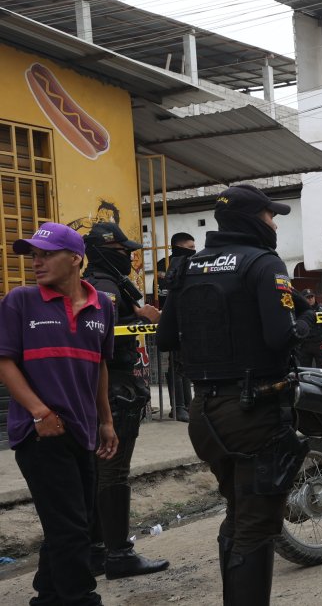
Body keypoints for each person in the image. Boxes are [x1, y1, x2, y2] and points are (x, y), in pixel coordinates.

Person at [157, 185, 315, 605]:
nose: (274, 224)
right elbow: (280, 336)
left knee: (239, 513)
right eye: (270, 216)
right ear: (251, 219)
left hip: (204, 412)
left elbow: (165, 338)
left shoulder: (188, 266)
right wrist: (306, 325)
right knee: (256, 525)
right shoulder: (263, 263)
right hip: (254, 411)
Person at [0, 222, 119, 606]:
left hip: (82, 430)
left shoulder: (103, 306)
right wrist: (39, 413)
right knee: (71, 528)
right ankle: (81, 599)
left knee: (73, 521)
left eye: (46, 254)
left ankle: (48, 598)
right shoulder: (20, 301)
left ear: (75, 259)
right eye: (34, 255)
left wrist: (106, 421)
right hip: (39, 432)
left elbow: (100, 365)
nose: (37, 262)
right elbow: (4, 362)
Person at [82, 223, 171, 580]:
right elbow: (102, 334)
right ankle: (118, 553)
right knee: (113, 472)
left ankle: (96, 551)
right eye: (124, 252)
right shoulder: (104, 286)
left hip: (107, 388)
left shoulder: (99, 282)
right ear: (105, 252)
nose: (130, 258)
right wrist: (140, 317)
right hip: (114, 388)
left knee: (98, 471)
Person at [156, 232, 196, 420]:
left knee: (186, 364)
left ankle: (188, 405)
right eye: (190, 247)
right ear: (179, 246)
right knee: (176, 365)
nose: (194, 250)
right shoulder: (164, 265)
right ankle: (178, 406)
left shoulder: (192, 262)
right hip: (172, 319)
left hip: (189, 319)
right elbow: (163, 293)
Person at [296, 289, 322, 368]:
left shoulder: (320, 309)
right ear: (303, 299)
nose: (310, 299)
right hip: (304, 344)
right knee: (305, 369)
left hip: (319, 344)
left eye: (312, 297)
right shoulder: (299, 310)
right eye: (308, 297)